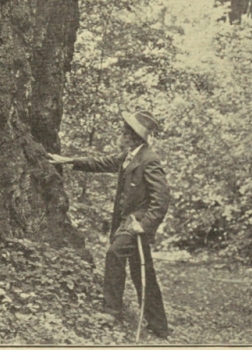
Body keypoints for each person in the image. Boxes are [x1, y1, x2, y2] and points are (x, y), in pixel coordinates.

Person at [48, 109, 171, 339]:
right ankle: (160, 326)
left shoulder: (149, 159)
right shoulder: (128, 155)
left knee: (114, 254)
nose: (121, 134)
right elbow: (100, 162)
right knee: (142, 272)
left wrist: (144, 225)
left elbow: (161, 198)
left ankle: (112, 312)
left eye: (126, 132)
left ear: (135, 136)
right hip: (126, 223)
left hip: (135, 223)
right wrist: (69, 161)